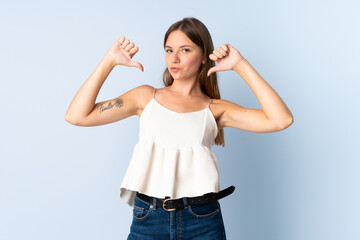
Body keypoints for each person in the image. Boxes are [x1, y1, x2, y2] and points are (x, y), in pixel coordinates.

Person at [65, 17, 293, 240]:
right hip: (149, 218)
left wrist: (241, 66)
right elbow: (77, 115)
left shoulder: (215, 109)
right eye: (168, 50)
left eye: (185, 50)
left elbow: (281, 120)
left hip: (202, 219)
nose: (174, 58)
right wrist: (109, 61)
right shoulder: (145, 97)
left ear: (204, 56)